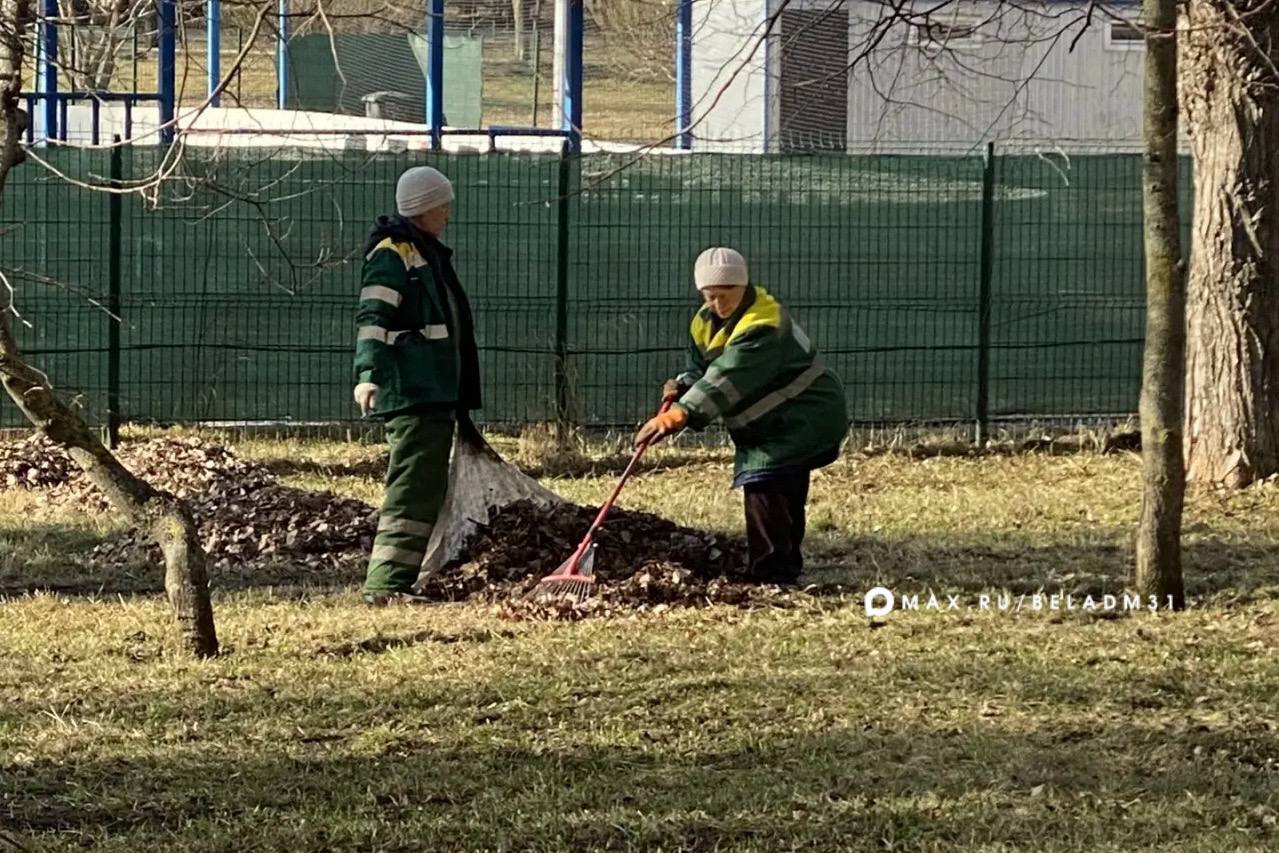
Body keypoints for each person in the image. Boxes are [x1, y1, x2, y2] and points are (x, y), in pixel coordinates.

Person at [635, 247, 848, 585]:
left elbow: (728, 376)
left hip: (805, 415)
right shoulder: (704, 321)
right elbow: (702, 368)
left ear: (744, 286)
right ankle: (783, 566)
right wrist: (682, 385)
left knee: (765, 481)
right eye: (710, 296)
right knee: (783, 489)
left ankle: (771, 574)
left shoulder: (764, 324)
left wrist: (681, 413)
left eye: (727, 294)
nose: (719, 304)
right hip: (773, 423)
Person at [353, 165, 481, 605]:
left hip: (433, 392)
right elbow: (372, 319)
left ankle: (400, 579)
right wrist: (368, 375)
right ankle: (386, 585)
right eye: (442, 203)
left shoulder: (423, 251)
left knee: (424, 488)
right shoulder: (395, 254)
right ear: (425, 207)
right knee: (410, 488)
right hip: (413, 391)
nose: (448, 211)